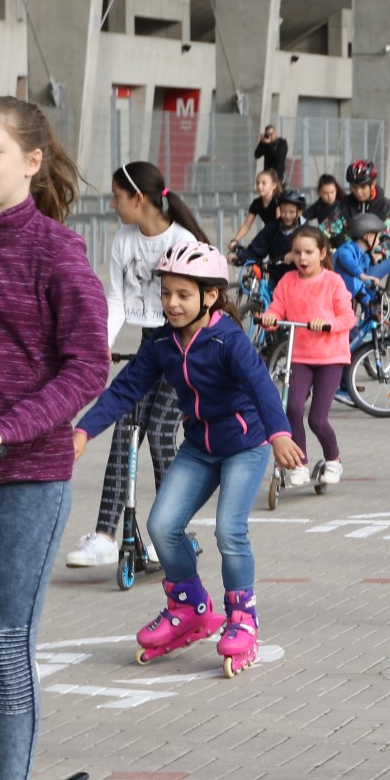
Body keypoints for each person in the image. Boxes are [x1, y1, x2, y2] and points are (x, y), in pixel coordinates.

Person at [0, 96, 108, 780]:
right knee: (1, 654)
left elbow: (88, 366)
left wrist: (8, 427)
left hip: (27, 475)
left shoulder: (57, 253)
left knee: (9, 641)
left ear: (30, 160)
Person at [75, 241, 299, 684]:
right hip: (199, 447)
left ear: (209, 295)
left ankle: (242, 617)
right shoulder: (162, 342)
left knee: (229, 530)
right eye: (166, 293)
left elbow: (261, 386)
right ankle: (189, 608)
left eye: (183, 294)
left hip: (245, 446)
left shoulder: (228, 340)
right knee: (162, 526)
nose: (172, 303)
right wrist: (84, 430)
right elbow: (125, 389)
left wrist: (279, 435)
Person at [63, 162, 207, 571]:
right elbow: (117, 298)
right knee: (125, 431)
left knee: (160, 435)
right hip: (148, 345)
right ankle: (106, 537)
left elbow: (197, 301)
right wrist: (102, 345)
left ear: (139, 199)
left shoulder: (181, 241)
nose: (113, 204)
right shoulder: (124, 239)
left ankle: (172, 530)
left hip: (181, 344)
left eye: (117, 197)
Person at [260, 226, 355, 488]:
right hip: (299, 356)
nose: (302, 258)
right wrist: (269, 318)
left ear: (322, 253)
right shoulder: (287, 281)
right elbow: (276, 310)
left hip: (330, 357)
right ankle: (298, 464)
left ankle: (333, 460)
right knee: (292, 409)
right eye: (297, 252)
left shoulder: (333, 282)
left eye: (309, 252)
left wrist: (328, 323)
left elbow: (348, 317)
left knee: (317, 419)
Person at [236, 190, 306, 282]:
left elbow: (313, 251)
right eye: (284, 211)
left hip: (299, 278)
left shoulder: (307, 230)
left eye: (292, 212)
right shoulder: (272, 228)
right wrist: (240, 256)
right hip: (276, 276)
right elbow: (257, 247)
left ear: (299, 212)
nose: (287, 216)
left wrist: (296, 253)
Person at [226, 168, 283, 256]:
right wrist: (235, 240)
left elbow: (279, 224)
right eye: (257, 183)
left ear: (274, 186)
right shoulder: (257, 203)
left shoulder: (278, 201)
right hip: (268, 234)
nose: (259, 186)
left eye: (263, 183)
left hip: (280, 236)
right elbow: (246, 225)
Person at [342, 159, 389, 223]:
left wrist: (378, 230)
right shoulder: (344, 205)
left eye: (363, 187)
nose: (358, 192)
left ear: (373, 185)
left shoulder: (384, 206)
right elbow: (332, 226)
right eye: (354, 187)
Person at [305, 174, 348, 241]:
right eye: (325, 193)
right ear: (319, 193)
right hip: (325, 240)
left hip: (343, 240)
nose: (329, 196)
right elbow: (305, 216)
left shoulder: (343, 204)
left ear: (336, 190)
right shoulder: (319, 205)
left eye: (332, 192)